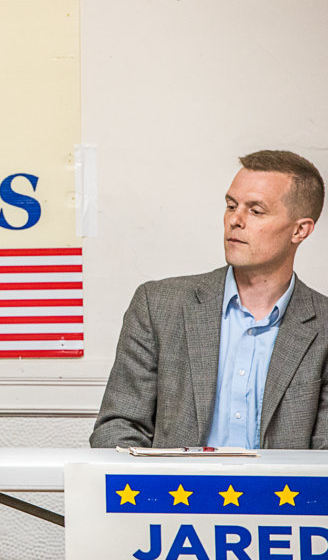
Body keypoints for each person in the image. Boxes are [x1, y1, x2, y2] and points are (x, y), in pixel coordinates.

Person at [91, 150, 328, 449]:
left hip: (283, 483)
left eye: (256, 211)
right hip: (172, 482)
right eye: (231, 206)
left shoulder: (323, 325)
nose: (235, 220)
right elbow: (118, 427)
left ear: (300, 230)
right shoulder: (158, 305)